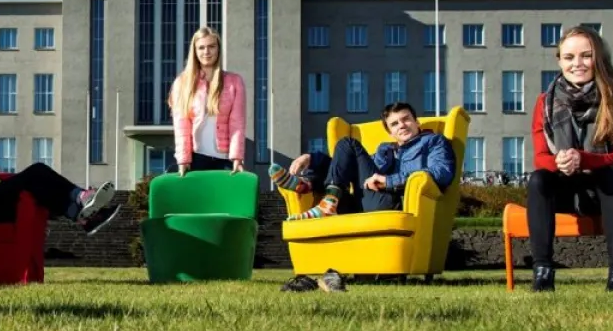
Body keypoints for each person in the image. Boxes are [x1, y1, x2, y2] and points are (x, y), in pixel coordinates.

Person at [527, 25, 613, 292]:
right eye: (569, 58)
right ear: (559, 61)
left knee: (612, 173)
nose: (577, 64)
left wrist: (585, 159)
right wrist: (561, 162)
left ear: (599, 58)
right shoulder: (545, 102)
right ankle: (543, 271)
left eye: (586, 55)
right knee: (539, 179)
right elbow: (540, 157)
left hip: (610, 192)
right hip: (567, 189)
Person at [0, 113, 121, 235]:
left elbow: (1, 189)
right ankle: (79, 203)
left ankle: (82, 212)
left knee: (37, 176)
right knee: (36, 171)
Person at [274, 102, 454, 220]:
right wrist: (312, 159)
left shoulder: (433, 141)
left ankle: (320, 196)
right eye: (395, 124)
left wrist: (389, 180)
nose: (402, 125)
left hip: (393, 203)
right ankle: (308, 185)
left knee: (348, 143)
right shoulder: (386, 149)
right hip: (364, 202)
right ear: (390, 132)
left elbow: (442, 173)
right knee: (343, 154)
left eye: (406, 119)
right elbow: (347, 166)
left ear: (417, 122)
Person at [168, 27, 246, 176]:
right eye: (201, 47)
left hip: (225, 160)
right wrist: (183, 160)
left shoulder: (234, 82)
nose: (206, 52)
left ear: (218, 49)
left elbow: (238, 124)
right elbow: (181, 125)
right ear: (195, 51)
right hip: (196, 158)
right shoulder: (182, 83)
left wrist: (237, 157)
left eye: (211, 46)